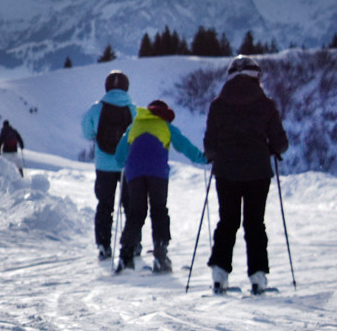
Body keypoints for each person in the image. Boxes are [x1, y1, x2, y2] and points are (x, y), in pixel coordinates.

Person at [203, 55, 290, 295]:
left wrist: (218, 154)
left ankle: (219, 275)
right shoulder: (266, 104)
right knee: (254, 223)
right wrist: (267, 148)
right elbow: (281, 143)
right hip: (258, 172)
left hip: (226, 172)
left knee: (227, 221)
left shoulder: (218, 105)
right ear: (256, 76)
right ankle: (258, 278)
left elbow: (209, 145)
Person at [115, 100, 206, 273]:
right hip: (157, 172)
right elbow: (184, 146)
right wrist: (203, 158)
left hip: (134, 172)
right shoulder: (165, 125)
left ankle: (125, 257)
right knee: (159, 210)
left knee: (136, 212)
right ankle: (160, 255)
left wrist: (123, 163)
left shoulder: (134, 126)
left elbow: (119, 156)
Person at [81, 71, 135, 262]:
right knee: (130, 205)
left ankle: (104, 245)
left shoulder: (96, 109)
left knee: (105, 205)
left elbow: (87, 132)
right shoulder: (133, 109)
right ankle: (132, 243)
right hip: (127, 165)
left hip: (104, 165)